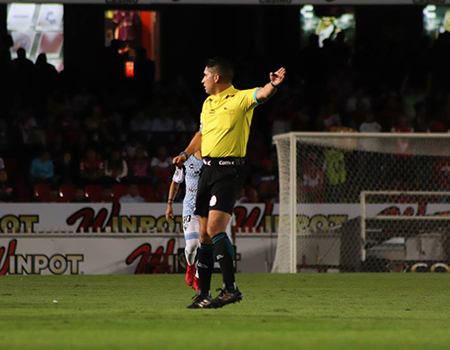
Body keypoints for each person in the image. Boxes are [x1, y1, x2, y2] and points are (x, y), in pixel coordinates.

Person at [173, 57, 285, 309]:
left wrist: (273, 85)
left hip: (228, 171)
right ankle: (203, 294)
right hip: (207, 171)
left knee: (214, 229)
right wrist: (186, 153)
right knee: (203, 235)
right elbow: (202, 134)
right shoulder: (207, 103)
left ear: (216, 77)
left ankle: (230, 289)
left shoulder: (240, 98)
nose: (201, 80)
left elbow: (263, 94)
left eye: (204, 75)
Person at [165, 150, 203, 291]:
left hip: (208, 208)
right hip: (190, 208)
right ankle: (190, 266)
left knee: (205, 245)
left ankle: (199, 276)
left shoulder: (214, 156)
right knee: (192, 245)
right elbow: (176, 182)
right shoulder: (185, 158)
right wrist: (169, 204)